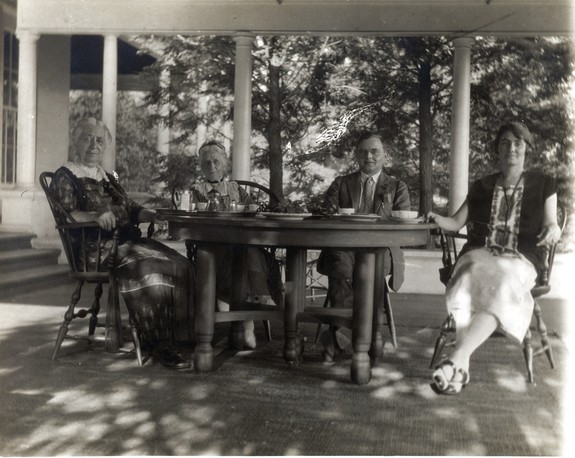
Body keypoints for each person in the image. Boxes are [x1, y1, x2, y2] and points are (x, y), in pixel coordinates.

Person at [426, 121, 561, 395]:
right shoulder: (482, 186)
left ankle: (456, 361)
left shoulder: (544, 184)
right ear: (497, 150)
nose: (511, 148)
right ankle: (459, 367)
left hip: (521, 259)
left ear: (527, 149)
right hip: (481, 253)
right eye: (505, 143)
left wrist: (555, 229)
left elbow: (552, 223)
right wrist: (436, 218)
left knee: (503, 283)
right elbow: (455, 222)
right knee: (468, 275)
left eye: (518, 143)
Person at [50, 117, 195, 370]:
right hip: (94, 249)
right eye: (87, 138)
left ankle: (181, 337)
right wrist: (96, 216)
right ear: (75, 142)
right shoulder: (65, 176)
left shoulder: (106, 177)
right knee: (149, 266)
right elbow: (68, 214)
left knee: (179, 262)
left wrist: (152, 215)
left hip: (124, 242)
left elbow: (130, 207)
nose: (94, 145)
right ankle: (158, 343)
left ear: (105, 145)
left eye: (99, 140)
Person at [316, 130, 411, 361]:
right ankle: (363, 339)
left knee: (371, 266)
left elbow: (402, 222)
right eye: (363, 152)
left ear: (384, 156)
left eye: (374, 151)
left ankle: (341, 339)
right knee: (342, 266)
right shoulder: (341, 184)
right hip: (344, 247)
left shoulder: (397, 186)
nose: (369, 156)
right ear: (356, 156)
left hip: (381, 249)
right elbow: (327, 215)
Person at [190, 140, 282, 349]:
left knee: (250, 250)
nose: (212, 166)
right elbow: (193, 218)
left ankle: (247, 312)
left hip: (241, 242)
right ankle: (254, 308)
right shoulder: (196, 190)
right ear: (201, 167)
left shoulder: (235, 188)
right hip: (212, 246)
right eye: (207, 163)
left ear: (225, 164)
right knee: (241, 253)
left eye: (216, 161)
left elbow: (252, 210)